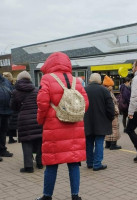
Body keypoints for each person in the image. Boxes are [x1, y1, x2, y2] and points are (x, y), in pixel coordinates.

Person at [36, 52, 89, 200]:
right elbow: (86, 103)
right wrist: (74, 114)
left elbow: (42, 102)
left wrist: (40, 120)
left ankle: (47, 196)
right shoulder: (76, 81)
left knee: (52, 163)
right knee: (73, 162)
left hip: (54, 128)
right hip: (74, 128)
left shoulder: (47, 78)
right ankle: (75, 195)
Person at [10, 71, 43, 173]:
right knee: (39, 140)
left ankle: (28, 166)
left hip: (24, 119)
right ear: (29, 79)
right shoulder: (36, 90)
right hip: (37, 118)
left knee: (26, 142)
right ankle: (40, 163)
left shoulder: (15, 92)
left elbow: (13, 107)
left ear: (19, 79)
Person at [84, 73, 114, 169]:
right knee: (99, 142)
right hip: (101, 121)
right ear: (100, 81)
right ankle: (97, 164)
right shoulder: (104, 90)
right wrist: (110, 117)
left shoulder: (84, 90)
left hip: (87, 121)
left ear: (90, 80)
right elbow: (110, 107)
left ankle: (89, 162)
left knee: (88, 142)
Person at [102, 75, 121, 150]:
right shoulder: (109, 93)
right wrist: (116, 111)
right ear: (108, 86)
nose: (112, 87)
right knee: (114, 128)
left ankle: (108, 143)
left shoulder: (103, 92)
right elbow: (112, 104)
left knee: (108, 128)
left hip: (106, 114)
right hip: (112, 113)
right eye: (111, 86)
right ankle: (113, 144)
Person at [0, 73, 14, 161]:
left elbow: (12, 92)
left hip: (6, 111)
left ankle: (2, 150)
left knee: (3, 131)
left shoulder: (5, 81)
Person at [3, 72, 17, 144]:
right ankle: (11, 138)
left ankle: (10, 138)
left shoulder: (4, 84)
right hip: (11, 106)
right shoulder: (11, 85)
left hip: (7, 106)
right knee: (10, 123)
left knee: (8, 124)